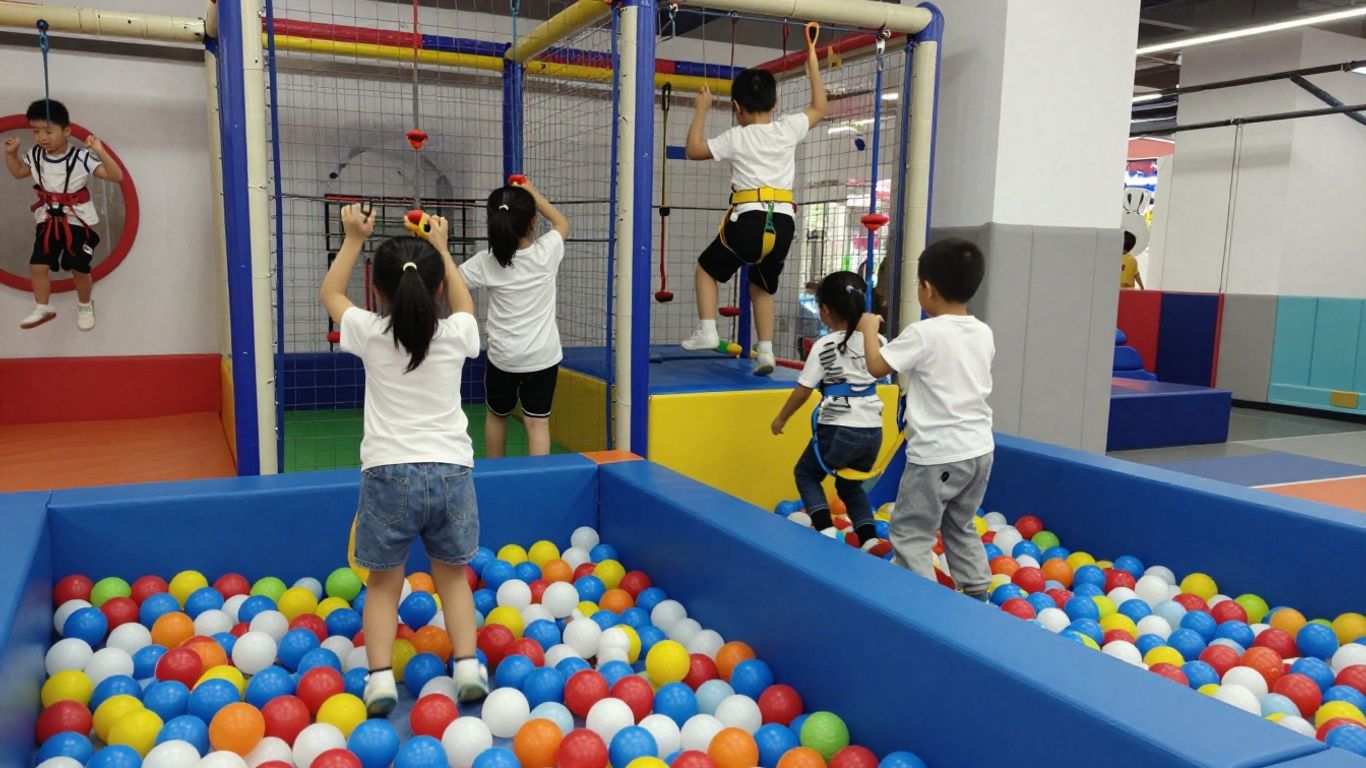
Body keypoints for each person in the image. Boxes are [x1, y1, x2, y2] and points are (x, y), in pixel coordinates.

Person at [320, 204, 487, 715]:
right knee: (452, 577)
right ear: (437, 289)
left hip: (389, 473)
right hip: (451, 472)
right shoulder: (456, 334)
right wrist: (441, 248)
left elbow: (329, 295)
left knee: (383, 582)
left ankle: (379, 681)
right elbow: (466, 311)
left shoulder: (371, 332)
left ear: (379, 293)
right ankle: (465, 666)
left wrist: (353, 240)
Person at [680, 31, 826, 376]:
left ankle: (708, 330)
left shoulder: (737, 135)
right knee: (761, 288)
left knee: (706, 269)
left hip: (748, 221)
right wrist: (813, 63)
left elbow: (694, 150)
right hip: (785, 223)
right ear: (774, 106)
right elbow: (820, 107)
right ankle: (766, 352)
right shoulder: (788, 128)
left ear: (736, 109)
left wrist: (701, 110)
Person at [858, 239, 994, 600]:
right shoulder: (983, 332)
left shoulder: (925, 333)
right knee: (959, 523)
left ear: (927, 289)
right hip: (979, 451)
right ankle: (977, 590)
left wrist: (869, 331)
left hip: (938, 455)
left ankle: (922, 605)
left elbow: (875, 367)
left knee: (910, 532)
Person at [773, 271, 890, 555]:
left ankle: (824, 529)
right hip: (873, 431)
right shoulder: (879, 342)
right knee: (850, 486)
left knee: (806, 473)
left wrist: (781, 418)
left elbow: (803, 390)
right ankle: (869, 538)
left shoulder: (825, 346)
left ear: (824, 310)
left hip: (839, 428)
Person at [459, 179, 569, 457]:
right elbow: (562, 224)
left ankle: (497, 473)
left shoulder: (486, 262)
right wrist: (535, 194)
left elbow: (452, 280)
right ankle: (540, 483)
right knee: (537, 422)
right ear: (533, 222)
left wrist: (436, 243)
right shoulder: (546, 252)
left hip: (504, 358)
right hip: (542, 358)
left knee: (497, 416)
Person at [4, 99, 123, 331]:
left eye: (48, 131)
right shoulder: (35, 155)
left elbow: (115, 175)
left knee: (79, 268)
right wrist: (11, 154)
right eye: (36, 131)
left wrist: (100, 150)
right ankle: (42, 306)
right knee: (38, 267)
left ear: (66, 131)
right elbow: (19, 172)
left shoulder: (80, 157)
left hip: (76, 220)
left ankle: (86, 304)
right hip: (47, 219)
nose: (42, 137)